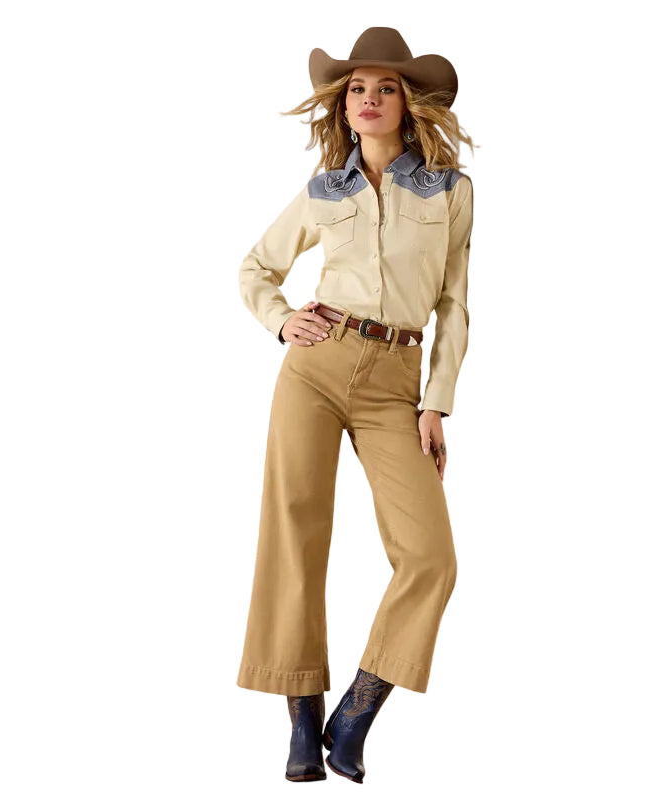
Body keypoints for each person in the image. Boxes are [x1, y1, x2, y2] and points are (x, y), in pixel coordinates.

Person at [235, 27, 476, 784]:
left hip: (396, 383)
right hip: (315, 366)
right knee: (295, 532)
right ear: (343, 106)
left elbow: (454, 304)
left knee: (430, 557)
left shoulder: (450, 190)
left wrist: (436, 404)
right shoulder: (323, 192)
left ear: (409, 103)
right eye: (357, 89)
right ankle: (302, 720)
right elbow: (256, 267)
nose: (369, 99)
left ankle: (356, 714)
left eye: (386, 88)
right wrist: (282, 321)